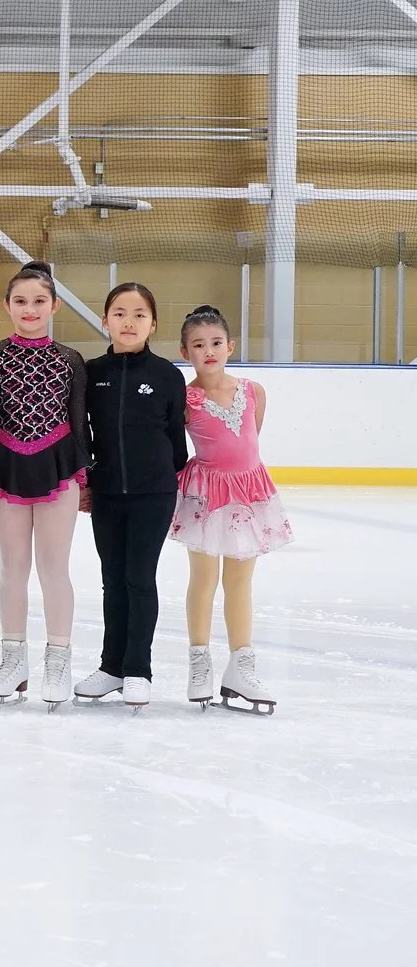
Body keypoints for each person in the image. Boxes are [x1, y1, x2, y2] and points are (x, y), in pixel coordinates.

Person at [0, 261, 88, 707]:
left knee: (54, 568)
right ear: (7, 305)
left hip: (59, 469)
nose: (30, 309)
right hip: (6, 466)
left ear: (55, 305)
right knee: (12, 567)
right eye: (21, 301)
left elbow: (79, 423)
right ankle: (13, 661)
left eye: (39, 301)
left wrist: (85, 478)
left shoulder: (70, 360)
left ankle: (58, 660)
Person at [168, 304, 293, 714]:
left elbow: (250, 438)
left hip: (249, 492)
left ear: (230, 345)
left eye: (216, 343)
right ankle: (199, 662)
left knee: (240, 582)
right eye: (199, 345)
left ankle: (241, 665)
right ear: (185, 351)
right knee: (203, 578)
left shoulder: (254, 391)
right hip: (205, 493)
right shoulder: (186, 399)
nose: (209, 351)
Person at [76, 282, 190, 709]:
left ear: (153, 323)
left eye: (139, 314)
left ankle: (138, 669)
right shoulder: (90, 373)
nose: (129, 321)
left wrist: (160, 479)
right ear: (105, 320)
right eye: (120, 313)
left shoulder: (166, 376)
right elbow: (82, 435)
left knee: (139, 579)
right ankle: (111, 668)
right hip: (106, 494)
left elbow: (176, 445)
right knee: (112, 580)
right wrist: (87, 481)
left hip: (152, 494)